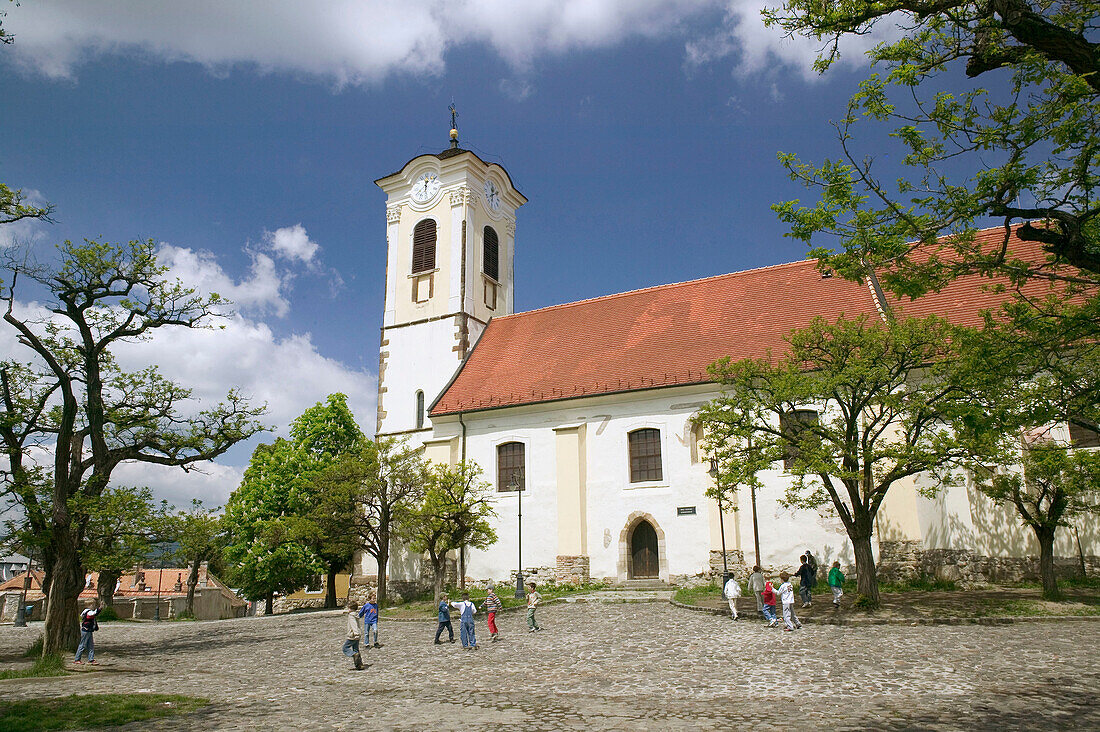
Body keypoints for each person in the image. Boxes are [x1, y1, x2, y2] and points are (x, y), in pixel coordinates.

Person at [74, 600, 100, 664]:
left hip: (89, 630)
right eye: (93, 605)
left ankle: (91, 659)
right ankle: (77, 659)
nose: (94, 606)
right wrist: (100, 608)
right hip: (86, 630)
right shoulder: (88, 612)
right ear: (89, 605)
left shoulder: (85, 612)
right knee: (82, 645)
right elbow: (94, 613)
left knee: (91, 645)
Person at [342, 601, 365, 670]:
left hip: (353, 636)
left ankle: (354, 654)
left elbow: (354, 625)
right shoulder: (356, 615)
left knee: (345, 648)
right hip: (357, 636)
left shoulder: (351, 616)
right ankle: (359, 665)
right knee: (356, 649)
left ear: (351, 609)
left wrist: (356, 634)